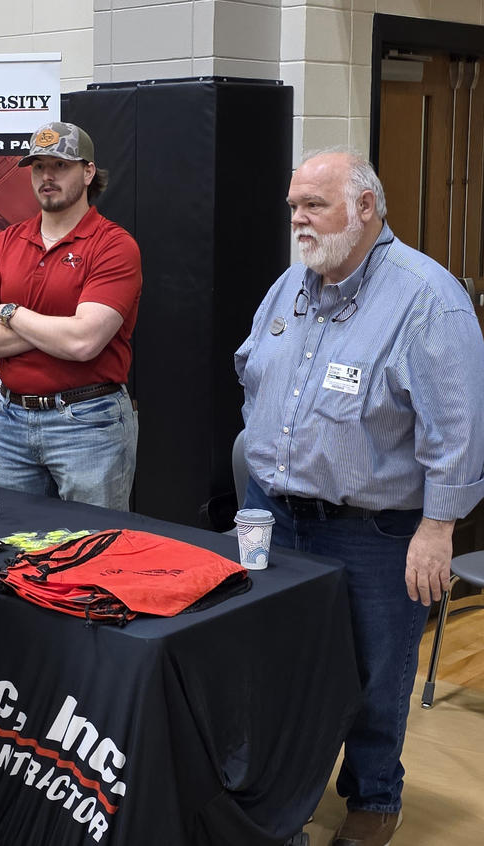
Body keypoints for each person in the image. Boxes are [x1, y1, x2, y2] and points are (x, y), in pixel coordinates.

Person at [236, 148, 484, 846]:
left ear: (367, 208)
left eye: (314, 205)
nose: (299, 220)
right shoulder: (291, 285)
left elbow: (458, 430)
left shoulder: (428, 300)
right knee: (278, 660)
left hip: (376, 530)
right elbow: (252, 374)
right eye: (294, 207)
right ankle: (287, 782)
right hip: (276, 513)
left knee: (376, 671)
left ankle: (374, 796)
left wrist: (438, 530)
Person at [0, 121, 142, 511]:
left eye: (60, 166)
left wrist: (7, 312)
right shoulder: (5, 243)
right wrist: (57, 325)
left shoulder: (114, 245)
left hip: (88, 421)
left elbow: (83, 343)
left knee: (95, 546)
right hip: (11, 419)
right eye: (38, 166)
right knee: (14, 545)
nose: (46, 176)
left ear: (88, 172)